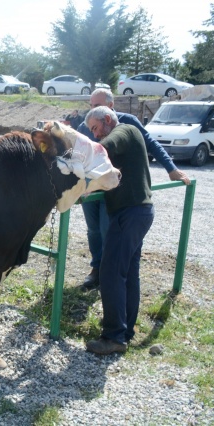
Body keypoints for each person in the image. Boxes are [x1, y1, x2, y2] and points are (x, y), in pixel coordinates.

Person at [76, 88, 190, 291]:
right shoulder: (88, 124)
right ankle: (96, 269)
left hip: (111, 190)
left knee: (107, 229)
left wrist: (171, 168)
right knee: (93, 230)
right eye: (91, 105)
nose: (93, 109)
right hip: (89, 188)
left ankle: (108, 275)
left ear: (110, 107)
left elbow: (151, 143)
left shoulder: (127, 123)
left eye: (97, 105)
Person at [83, 106, 155, 355]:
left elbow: (102, 149)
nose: (95, 135)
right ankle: (125, 332)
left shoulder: (125, 130)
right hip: (139, 213)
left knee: (111, 272)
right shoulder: (130, 134)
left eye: (95, 128)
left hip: (129, 213)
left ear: (106, 120)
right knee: (128, 273)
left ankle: (113, 337)